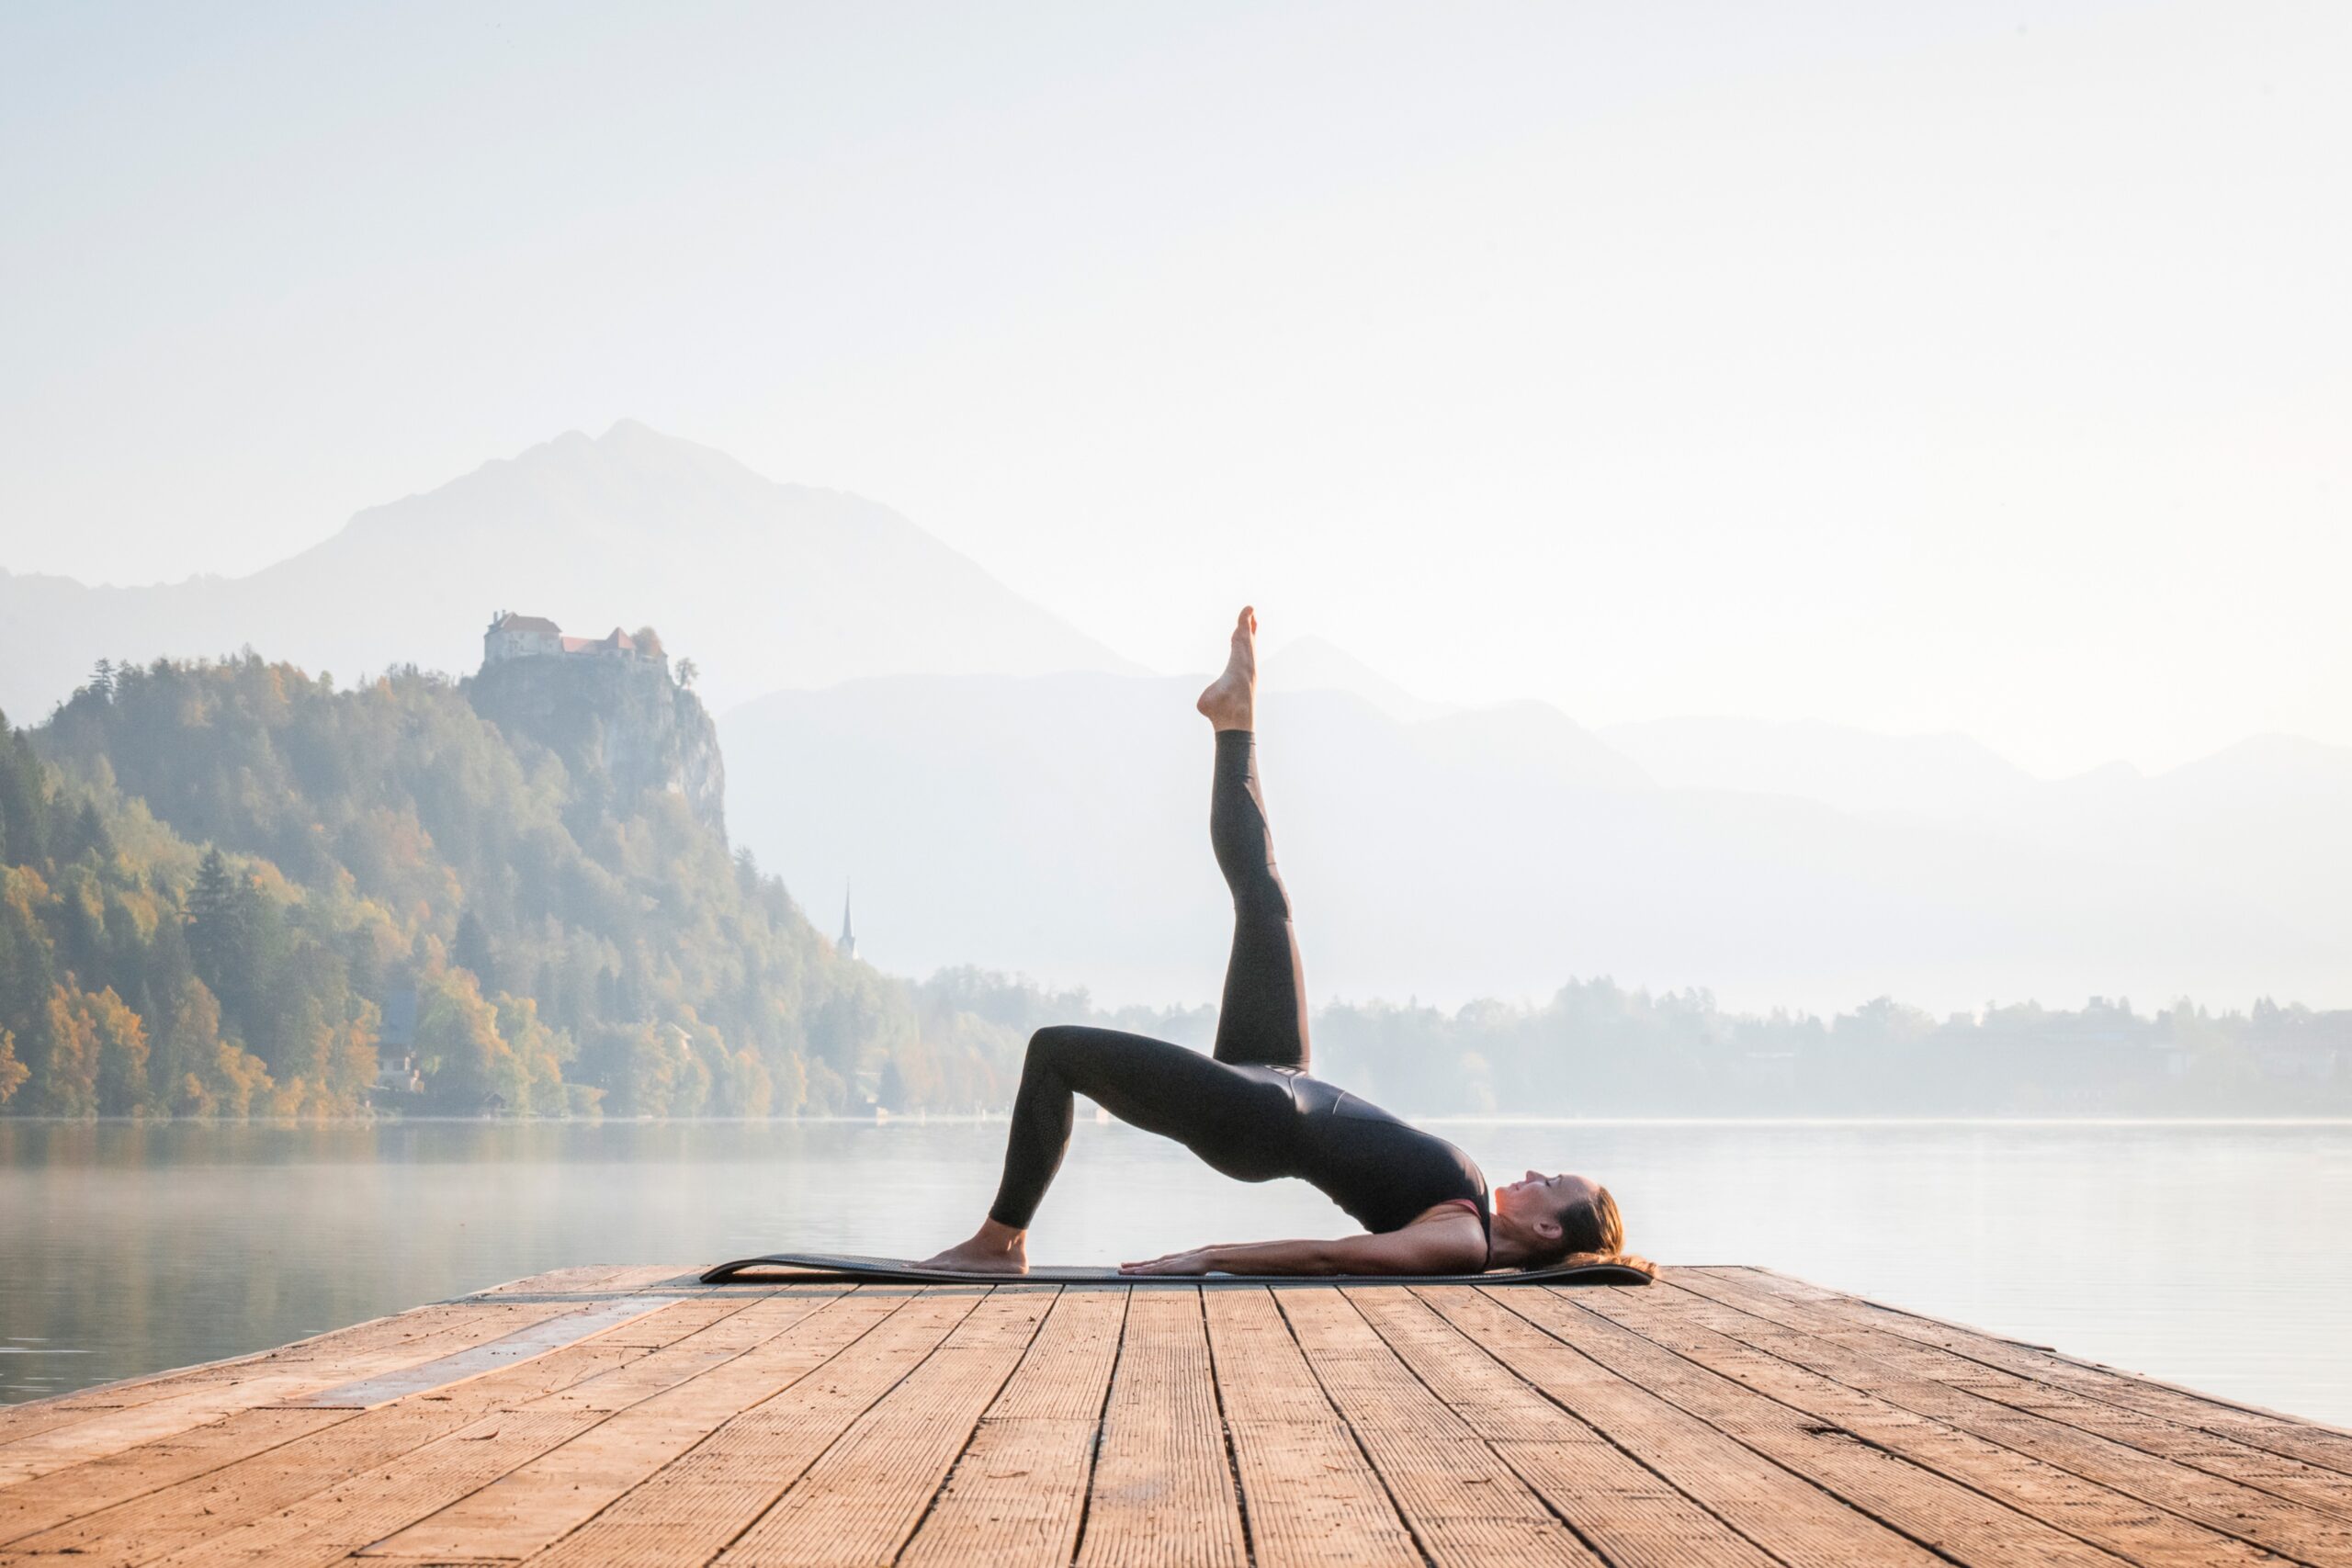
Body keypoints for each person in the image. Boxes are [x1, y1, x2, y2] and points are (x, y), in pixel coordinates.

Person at [922, 607, 1634, 1278]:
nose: (1538, 1173)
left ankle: (999, 1240)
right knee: (1264, 896)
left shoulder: (1463, 1239)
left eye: (1554, 1183)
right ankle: (1237, 719)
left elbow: (1331, 1256)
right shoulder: (1473, 1210)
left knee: (1056, 1051)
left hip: (1256, 1120)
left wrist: (1208, 1255)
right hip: (1277, 1074)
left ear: (1549, 1230)